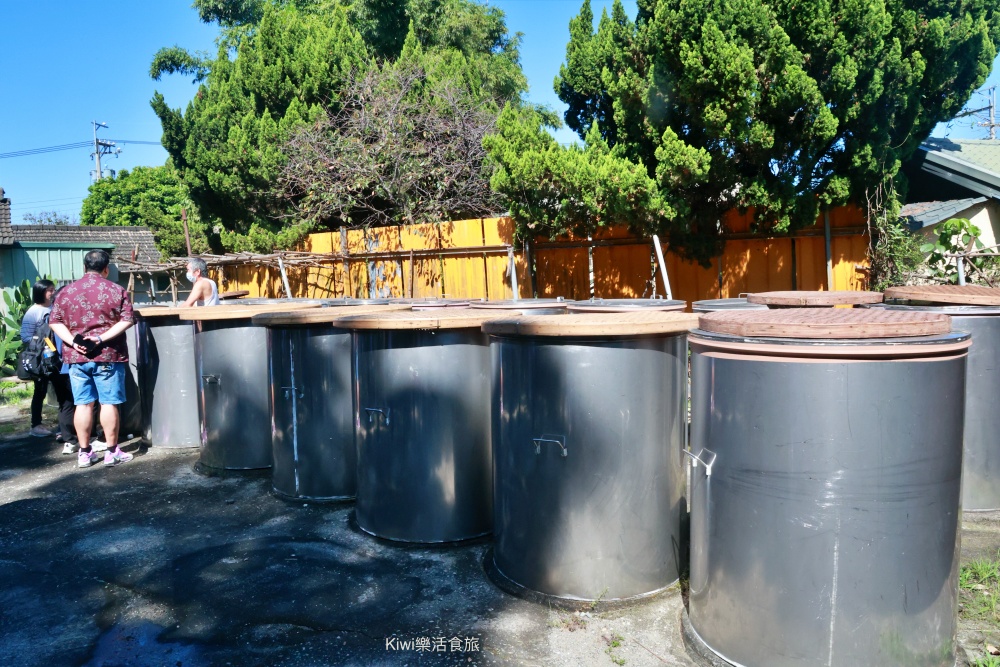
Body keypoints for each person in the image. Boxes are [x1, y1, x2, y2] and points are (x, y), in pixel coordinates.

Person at [49, 249, 136, 468]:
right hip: (108, 355)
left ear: (84, 267)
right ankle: (112, 451)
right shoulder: (117, 290)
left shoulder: (66, 292)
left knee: (83, 404)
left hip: (76, 358)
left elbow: (54, 321)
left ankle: (85, 453)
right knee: (108, 403)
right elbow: (127, 319)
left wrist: (71, 341)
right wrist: (100, 338)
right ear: (106, 269)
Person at [19, 279, 57, 437]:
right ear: (41, 292)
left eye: (53, 289)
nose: (53, 293)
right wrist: (45, 342)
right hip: (40, 359)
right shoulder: (33, 312)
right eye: (50, 290)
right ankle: (36, 425)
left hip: (55, 356)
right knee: (40, 391)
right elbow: (25, 336)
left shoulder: (54, 307)